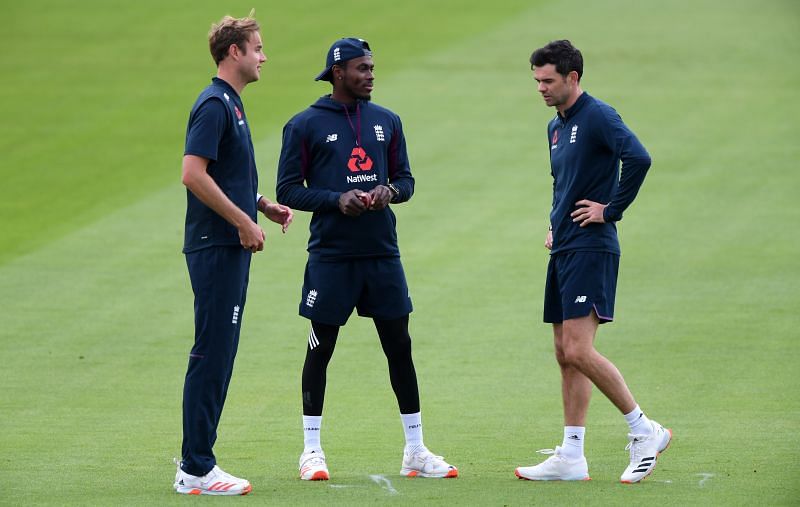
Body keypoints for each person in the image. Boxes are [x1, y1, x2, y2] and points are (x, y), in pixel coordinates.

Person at [276, 37, 457, 481]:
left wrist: (388, 192)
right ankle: (311, 452)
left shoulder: (387, 121)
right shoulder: (304, 125)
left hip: (381, 254)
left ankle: (415, 450)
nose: (370, 75)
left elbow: (407, 181)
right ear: (338, 73)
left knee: (400, 348)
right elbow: (287, 190)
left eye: (373, 68)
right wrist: (336, 200)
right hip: (332, 257)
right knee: (321, 348)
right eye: (362, 69)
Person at [514, 40, 671, 484]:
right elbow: (561, 182)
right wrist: (554, 222)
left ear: (573, 78)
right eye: (536, 81)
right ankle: (571, 455)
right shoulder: (555, 127)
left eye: (548, 81)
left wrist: (610, 209)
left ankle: (645, 429)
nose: (541, 88)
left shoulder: (599, 116)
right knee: (565, 354)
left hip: (592, 246)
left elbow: (638, 158)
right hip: (564, 246)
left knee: (580, 349)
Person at [174, 12, 293, 496]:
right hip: (216, 245)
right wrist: (243, 222)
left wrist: (259, 205)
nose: (264, 56)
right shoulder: (214, 105)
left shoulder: (233, 104)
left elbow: (224, 174)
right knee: (212, 353)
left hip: (227, 242)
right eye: (257, 48)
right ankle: (196, 467)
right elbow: (193, 173)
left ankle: (198, 461)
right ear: (233, 53)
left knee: (220, 352)